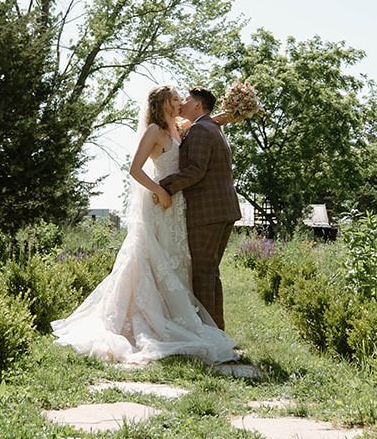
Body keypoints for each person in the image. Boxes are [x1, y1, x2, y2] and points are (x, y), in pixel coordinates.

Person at [50, 85, 240, 364]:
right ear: (163, 103)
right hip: (162, 202)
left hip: (176, 205)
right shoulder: (154, 131)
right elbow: (135, 168)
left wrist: (229, 113)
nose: (180, 103)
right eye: (176, 99)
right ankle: (162, 321)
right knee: (155, 261)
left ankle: (199, 324)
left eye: (183, 99)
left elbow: (205, 126)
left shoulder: (182, 128)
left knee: (182, 264)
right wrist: (161, 190)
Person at [158, 86, 243, 330]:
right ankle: (217, 329)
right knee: (210, 271)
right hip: (222, 209)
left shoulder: (200, 130)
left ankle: (210, 334)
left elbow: (195, 169)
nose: (182, 103)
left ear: (198, 105)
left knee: (203, 272)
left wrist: (163, 186)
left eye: (186, 99)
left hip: (208, 212)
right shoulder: (211, 127)